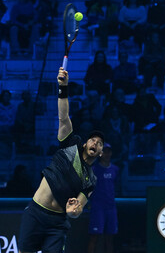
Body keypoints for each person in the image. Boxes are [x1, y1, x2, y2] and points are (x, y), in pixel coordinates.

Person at [18, 67, 104, 253]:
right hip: (35, 212)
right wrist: (63, 87)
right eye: (93, 140)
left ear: (100, 153)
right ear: (85, 144)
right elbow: (64, 118)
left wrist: (74, 211)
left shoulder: (91, 180)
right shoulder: (70, 145)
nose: (95, 143)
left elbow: (78, 208)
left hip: (56, 224)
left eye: (99, 144)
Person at [88, 143, 119, 253]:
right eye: (104, 151)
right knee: (94, 237)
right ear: (100, 154)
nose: (107, 154)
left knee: (110, 239)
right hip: (97, 208)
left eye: (109, 151)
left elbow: (116, 186)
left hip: (111, 208)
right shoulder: (94, 169)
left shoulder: (115, 169)